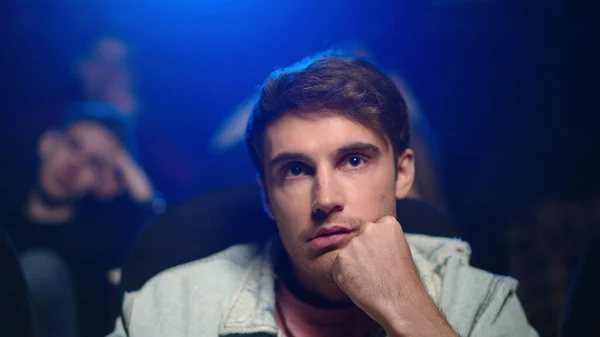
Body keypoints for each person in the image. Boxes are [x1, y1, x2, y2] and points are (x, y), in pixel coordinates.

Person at [108, 54, 537, 336]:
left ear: (403, 173)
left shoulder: (480, 304)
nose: (325, 198)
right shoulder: (166, 312)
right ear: (266, 197)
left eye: (353, 160)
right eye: (295, 170)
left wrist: (408, 311)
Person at [0, 112, 157, 337]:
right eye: (73, 145)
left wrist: (131, 175)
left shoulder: (100, 246)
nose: (75, 164)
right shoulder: (5, 202)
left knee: (43, 270)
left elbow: (163, 257)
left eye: (94, 163)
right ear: (47, 143)